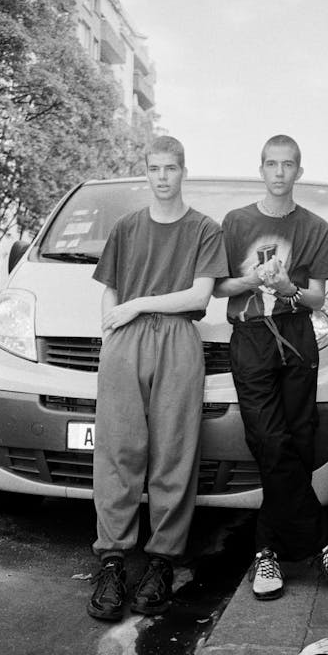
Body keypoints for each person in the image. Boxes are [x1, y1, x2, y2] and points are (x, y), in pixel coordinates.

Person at [88, 135, 229, 621]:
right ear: (145, 172)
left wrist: (137, 304)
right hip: (125, 345)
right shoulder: (126, 227)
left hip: (177, 342)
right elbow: (109, 290)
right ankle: (111, 561)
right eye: (154, 168)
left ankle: (162, 562)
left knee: (173, 452)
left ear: (182, 170)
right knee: (118, 450)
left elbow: (197, 297)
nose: (162, 177)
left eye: (170, 168)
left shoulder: (204, 230)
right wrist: (112, 336)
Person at [214, 134, 328, 601]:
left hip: (297, 336)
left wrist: (288, 287)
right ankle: (325, 543)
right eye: (272, 164)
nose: (279, 172)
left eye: (288, 164)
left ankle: (267, 552)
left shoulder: (315, 227)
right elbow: (219, 289)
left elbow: (318, 295)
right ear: (261, 169)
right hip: (251, 338)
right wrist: (254, 279)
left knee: (296, 441)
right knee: (269, 439)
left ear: (298, 170)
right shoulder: (236, 222)